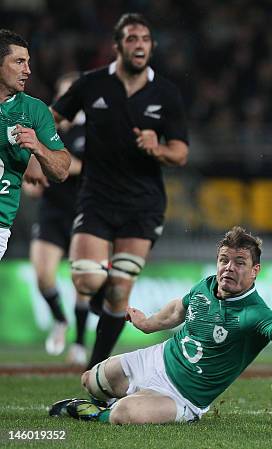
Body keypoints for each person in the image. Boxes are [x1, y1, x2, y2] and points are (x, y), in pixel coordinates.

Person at [49, 226, 272, 424]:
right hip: (156, 360)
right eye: (224, 260)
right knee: (91, 379)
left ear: (255, 271)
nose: (229, 268)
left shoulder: (255, 314)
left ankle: (96, 414)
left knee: (123, 414)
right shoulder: (205, 286)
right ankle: (104, 401)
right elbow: (177, 310)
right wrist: (147, 324)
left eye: (240, 262)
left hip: (182, 397)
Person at [50, 13, 189, 370]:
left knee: (119, 289)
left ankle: (93, 371)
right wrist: (34, 141)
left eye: (144, 38)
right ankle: (104, 310)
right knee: (86, 278)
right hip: (96, 196)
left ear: (151, 46)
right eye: (131, 38)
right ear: (117, 46)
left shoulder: (167, 93)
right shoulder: (91, 84)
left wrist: (156, 148)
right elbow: (55, 117)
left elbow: (180, 152)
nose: (139, 44)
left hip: (143, 204)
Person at [22, 72, 88, 364]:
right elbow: (28, 169)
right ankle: (60, 319)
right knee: (42, 276)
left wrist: (51, 164)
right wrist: (30, 179)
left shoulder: (92, 130)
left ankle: (79, 344)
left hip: (83, 215)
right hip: (51, 212)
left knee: (82, 282)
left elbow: (84, 166)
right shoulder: (45, 130)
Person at [0, 29, 70, 260]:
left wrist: (38, 149)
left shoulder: (34, 110)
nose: (28, 70)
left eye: (28, 63)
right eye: (19, 62)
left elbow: (61, 170)